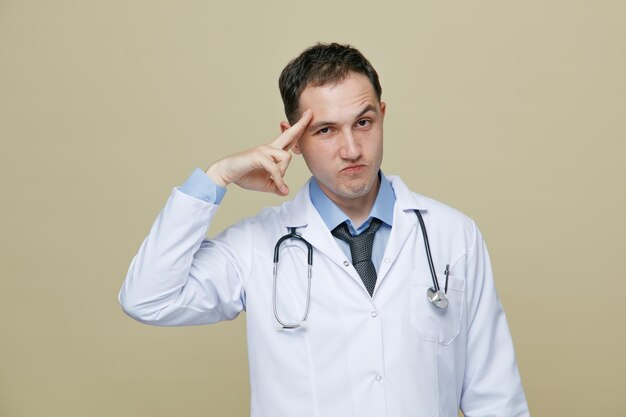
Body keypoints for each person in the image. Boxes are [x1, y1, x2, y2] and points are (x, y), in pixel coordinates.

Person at [119, 43, 530, 417]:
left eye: (364, 122)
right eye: (326, 130)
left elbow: (496, 398)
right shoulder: (257, 246)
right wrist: (217, 177)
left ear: (382, 116)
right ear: (292, 139)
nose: (351, 149)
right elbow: (148, 298)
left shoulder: (452, 235)